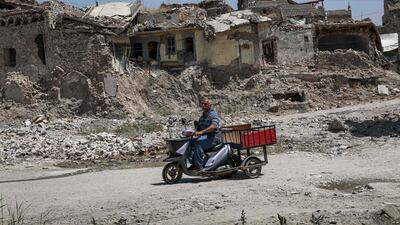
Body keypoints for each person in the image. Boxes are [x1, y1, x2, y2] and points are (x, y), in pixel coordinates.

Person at [190, 97, 222, 171]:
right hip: (205, 137)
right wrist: (193, 132)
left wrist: (201, 132)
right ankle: (193, 163)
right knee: (190, 142)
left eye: (205, 104)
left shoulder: (213, 115)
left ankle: (199, 166)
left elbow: (213, 126)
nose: (203, 105)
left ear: (210, 105)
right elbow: (199, 128)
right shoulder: (202, 116)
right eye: (202, 104)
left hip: (213, 137)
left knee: (198, 144)